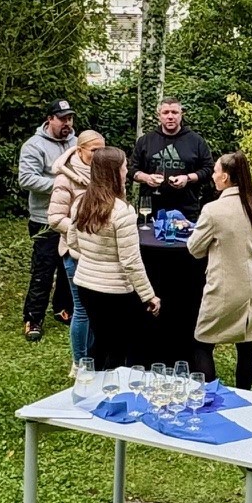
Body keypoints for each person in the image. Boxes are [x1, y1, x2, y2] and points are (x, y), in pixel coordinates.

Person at [66, 147, 161, 369]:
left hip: (85, 284)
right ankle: (112, 394)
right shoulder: (122, 212)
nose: (127, 170)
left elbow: (72, 240)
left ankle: (91, 387)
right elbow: (131, 261)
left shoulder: (81, 203)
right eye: (124, 167)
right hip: (115, 290)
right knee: (117, 347)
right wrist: (149, 296)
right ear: (115, 172)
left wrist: (93, 256)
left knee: (100, 340)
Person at [188, 152, 252, 387]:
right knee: (245, 342)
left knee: (202, 341)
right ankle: (245, 393)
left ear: (224, 177)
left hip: (224, 287)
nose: (212, 176)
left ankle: (209, 396)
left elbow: (195, 248)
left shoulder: (213, 210)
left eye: (214, 171)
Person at [16, 100, 78, 341]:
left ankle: (63, 309)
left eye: (70, 118)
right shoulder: (34, 146)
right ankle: (33, 319)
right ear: (50, 119)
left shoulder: (76, 142)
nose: (67, 124)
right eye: (62, 119)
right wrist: (61, 185)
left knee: (68, 267)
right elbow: (27, 179)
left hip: (72, 217)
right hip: (44, 218)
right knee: (43, 269)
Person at [46, 130, 106, 364]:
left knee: (96, 311)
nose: (99, 155)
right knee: (81, 310)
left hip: (98, 252)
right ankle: (80, 363)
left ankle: (94, 358)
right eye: (94, 151)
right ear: (79, 150)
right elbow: (55, 218)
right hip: (75, 253)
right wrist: (82, 233)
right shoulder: (65, 178)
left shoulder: (101, 173)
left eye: (102, 150)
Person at [131, 98, 213, 216]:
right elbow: (131, 169)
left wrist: (187, 178)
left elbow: (209, 169)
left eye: (174, 112)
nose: (170, 116)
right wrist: (146, 178)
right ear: (158, 115)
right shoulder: (146, 140)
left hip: (186, 211)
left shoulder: (196, 141)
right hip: (151, 211)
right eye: (165, 112)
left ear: (181, 114)